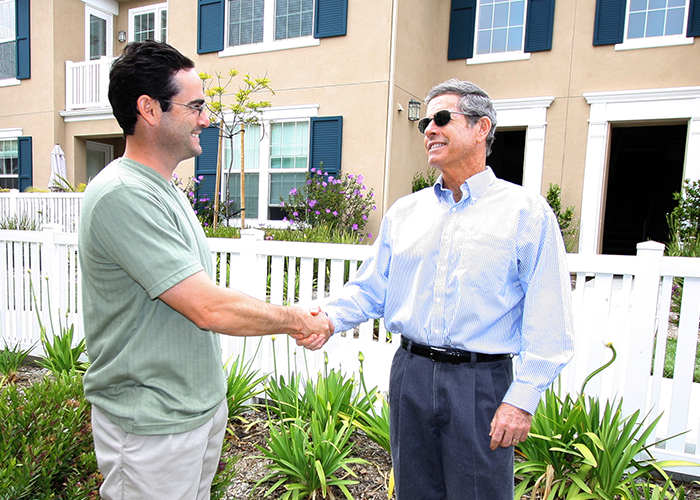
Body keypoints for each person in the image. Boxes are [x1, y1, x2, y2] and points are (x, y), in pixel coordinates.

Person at [78, 41, 333, 500]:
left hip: (193, 413)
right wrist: (296, 320)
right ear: (149, 109)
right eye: (195, 105)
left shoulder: (167, 189)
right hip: (152, 426)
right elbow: (207, 307)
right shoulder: (122, 194)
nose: (207, 118)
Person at [317, 79, 574, 499]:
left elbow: (550, 318)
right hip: (411, 375)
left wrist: (522, 399)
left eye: (440, 119)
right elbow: (371, 289)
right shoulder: (406, 212)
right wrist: (326, 319)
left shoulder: (526, 213)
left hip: (481, 383)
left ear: (481, 128)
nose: (429, 130)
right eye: (424, 123)